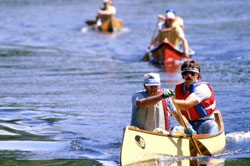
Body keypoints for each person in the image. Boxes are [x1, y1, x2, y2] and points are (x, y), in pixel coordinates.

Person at [171, 60, 219, 135]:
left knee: (212, 126)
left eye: (192, 73)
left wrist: (166, 100)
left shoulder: (203, 88)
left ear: (197, 75)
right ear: (182, 75)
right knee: (175, 130)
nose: (189, 76)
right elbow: (171, 107)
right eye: (186, 73)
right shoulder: (178, 89)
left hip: (205, 123)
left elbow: (186, 105)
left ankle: (210, 141)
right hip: (188, 124)